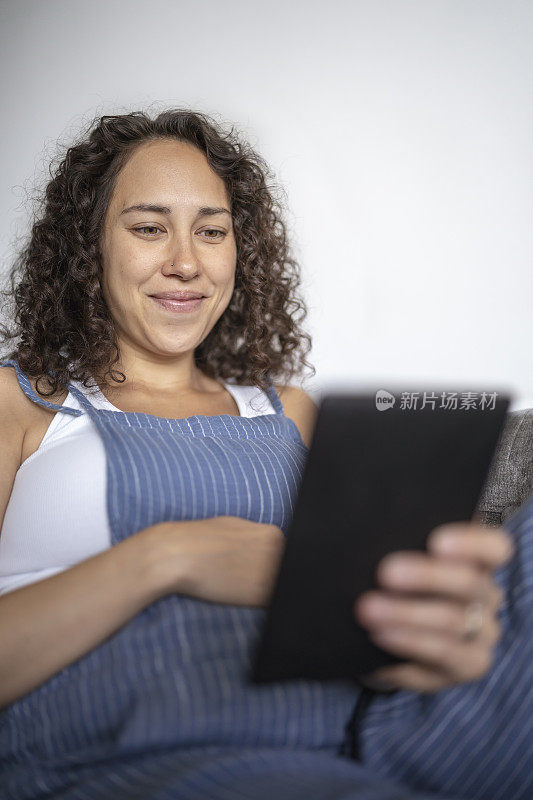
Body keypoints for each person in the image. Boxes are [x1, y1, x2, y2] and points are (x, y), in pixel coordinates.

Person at [0, 108, 530, 800]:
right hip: (141, 755)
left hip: (364, 734)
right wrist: (169, 556)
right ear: (87, 246)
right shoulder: (22, 404)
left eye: (212, 232)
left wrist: (420, 624)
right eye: (148, 227)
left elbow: (354, 608)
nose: (186, 261)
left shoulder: (289, 412)